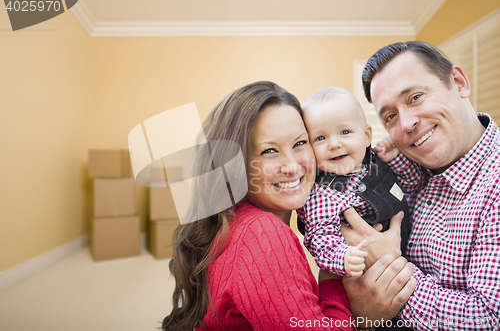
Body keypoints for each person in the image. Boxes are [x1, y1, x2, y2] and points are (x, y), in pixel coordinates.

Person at [160, 81, 416, 330]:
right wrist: (354, 308)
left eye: (299, 143)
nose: (293, 166)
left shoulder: (234, 220)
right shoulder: (262, 234)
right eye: (269, 151)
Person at [342, 41, 500, 330]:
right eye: (390, 116)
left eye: (415, 97)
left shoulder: (495, 188)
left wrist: (389, 274)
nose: (407, 123)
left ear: (459, 83)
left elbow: (491, 318)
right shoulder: (405, 173)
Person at [296, 87, 411, 278]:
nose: (334, 144)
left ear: (367, 136)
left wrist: (395, 158)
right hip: (368, 274)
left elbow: (411, 186)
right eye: (320, 138)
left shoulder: (376, 161)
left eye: (345, 132)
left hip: (412, 257)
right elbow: (320, 239)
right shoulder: (321, 193)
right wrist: (343, 257)